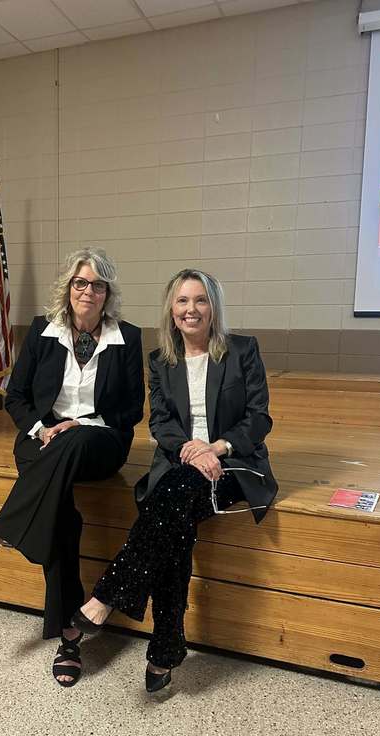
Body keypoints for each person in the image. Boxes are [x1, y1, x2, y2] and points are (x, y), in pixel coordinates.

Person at [0, 248, 144, 687]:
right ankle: (69, 634)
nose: (88, 291)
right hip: (41, 442)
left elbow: (131, 409)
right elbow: (19, 397)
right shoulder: (45, 332)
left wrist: (82, 425)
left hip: (99, 442)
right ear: (68, 288)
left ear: (107, 293)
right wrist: (43, 429)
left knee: (77, 436)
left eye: (97, 285)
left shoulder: (129, 337)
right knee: (61, 513)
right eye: (80, 283)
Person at [72, 269, 278, 692]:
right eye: (183, 301)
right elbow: (161, 421)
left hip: (232, 463)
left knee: (172, 497)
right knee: (175, 519)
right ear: (171, 308)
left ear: (213, 307)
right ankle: (165, 648)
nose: (191, 309)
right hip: (183, 463)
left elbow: (259, 418)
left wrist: (215, 448)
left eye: (200, 300)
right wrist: (189, 449)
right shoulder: (161, 360)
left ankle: (108, 596)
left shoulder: (242, 350)